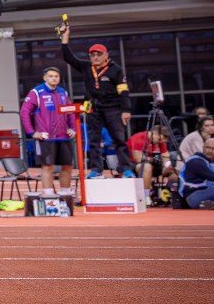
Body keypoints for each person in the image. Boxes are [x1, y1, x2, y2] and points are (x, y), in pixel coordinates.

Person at [59, 24, 130, 176]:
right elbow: (69, 58)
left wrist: (126, 110)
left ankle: (125, 168)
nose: (95, 57)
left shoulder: (115, 69)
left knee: (119, 139)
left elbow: (123, 90)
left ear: (106, 55)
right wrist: (65, 38)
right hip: (93, 107)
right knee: (93, 140)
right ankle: (96, 169)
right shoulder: (86, 67)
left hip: (113, 108)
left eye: (99, 54)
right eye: (92, 55)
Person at [20, 67, 76, 192]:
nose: (54, 78)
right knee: (47, 167)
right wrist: (32, 132)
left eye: (56, 76)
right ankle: (48, 196)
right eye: (51, 76)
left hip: (63, 137)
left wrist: (72, 128)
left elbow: (71, 111)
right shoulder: (36, 92)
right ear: (45, 78)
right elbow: (24, 112)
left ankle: (66, 194)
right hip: (45, 137)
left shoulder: (63, 92)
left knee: (67, 166)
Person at [126, 124, 174, 202]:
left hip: (152, 163)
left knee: (173, 167)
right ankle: (146, 196)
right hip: (133, 164)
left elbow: (166, 155)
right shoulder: (139, 137)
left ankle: (172, 193)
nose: (161, 142)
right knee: (146, 166)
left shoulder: (158, 140)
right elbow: (138, 158)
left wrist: (168, 164)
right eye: (160, 139)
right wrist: (152, 159)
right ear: (154, 134)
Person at [179, 138, 214, 209]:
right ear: (203, 148)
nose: (210, 151)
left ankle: (209, 204)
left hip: (205, 194)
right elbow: (212, 176)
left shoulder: (209, 162)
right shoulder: (196, 161)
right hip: (194, 196)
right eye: (208, 148)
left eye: (213, 149)